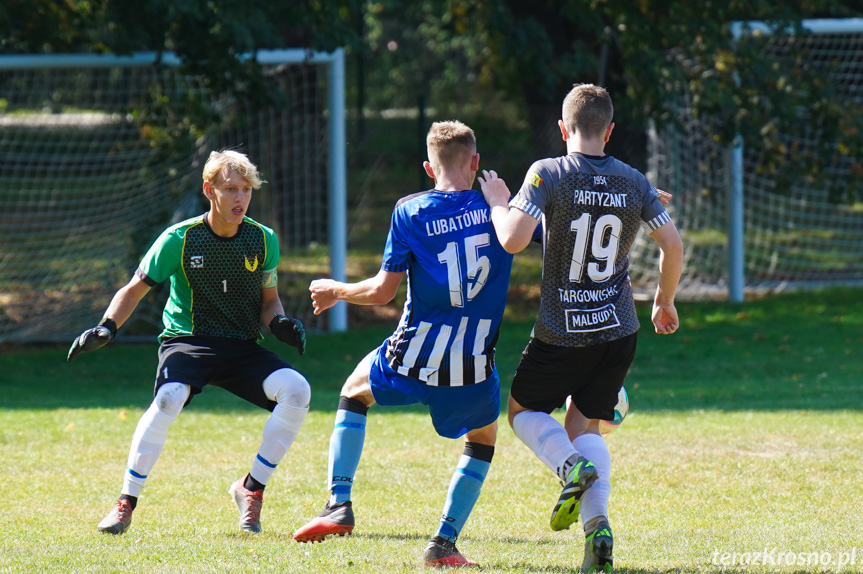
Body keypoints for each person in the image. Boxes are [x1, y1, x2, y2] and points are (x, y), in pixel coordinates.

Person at [477, 83, 683, 573]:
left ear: (563, 128)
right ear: (609, 131)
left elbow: (511, 240)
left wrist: (497, 200)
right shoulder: (634, 181)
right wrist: (664, 300)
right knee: (584, 425)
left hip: (561, 333)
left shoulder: (546, 172)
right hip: (618, 331)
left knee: (522, 412)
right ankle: (598, 532)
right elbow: (671, 245)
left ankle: (571, 468)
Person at [291, 121, 513, 568]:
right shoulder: (501, 210)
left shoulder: (410, 210)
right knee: (484, 439)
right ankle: (443, 543)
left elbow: (382, 292)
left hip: (413, 353)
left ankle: (339, 504)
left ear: (429, 167)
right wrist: (503, 204)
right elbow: (552, 234)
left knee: (354, 392)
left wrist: (337, 289)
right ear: (475, 163)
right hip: (471, 364)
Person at [67, 150, 310, 535]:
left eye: (246, 190)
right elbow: (134, 290)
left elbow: (269, 301)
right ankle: (125, 503)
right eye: (230, 189)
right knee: (169, 398)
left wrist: (279, 322)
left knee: (298, 391)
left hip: (242, 346)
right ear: (208, 190)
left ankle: (251, 489)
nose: (240, 199)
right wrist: (107, 328)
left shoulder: (263, 239)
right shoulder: (179, 238)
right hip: (188, 341)